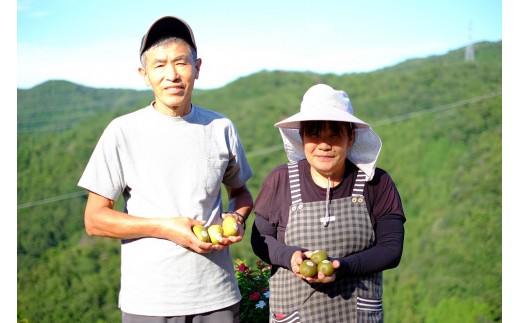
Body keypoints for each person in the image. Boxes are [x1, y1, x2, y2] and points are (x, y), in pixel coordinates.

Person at [78, 16, 253, 323]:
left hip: (218, 296)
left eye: (181, 62)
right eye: (159, 65)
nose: (171, 74)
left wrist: (236, 217)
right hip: (149, 302)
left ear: (197, 68)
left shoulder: (221, 127)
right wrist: (166, 228)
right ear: (144, 75)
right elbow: (95, 220)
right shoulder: (123, 132)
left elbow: (240, 192)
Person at [251, 84, 406, 322]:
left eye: (334, 134)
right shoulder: (280, 180)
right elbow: (260, 240)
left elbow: (391, 249)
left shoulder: (376, 183)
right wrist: (290, 256)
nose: (324, 144)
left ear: (350, 137)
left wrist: (342, 266)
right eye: (314, 133)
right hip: (296, 313)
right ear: (302, 137)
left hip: (356, 314)